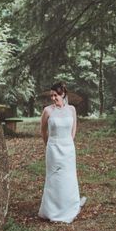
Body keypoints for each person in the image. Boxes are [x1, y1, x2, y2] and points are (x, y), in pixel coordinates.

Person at [38, 82, 86, 223]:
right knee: (55, 178)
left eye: (56, 95)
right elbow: (43, 130)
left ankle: (69, 205)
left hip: (68, 148)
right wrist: (49, 144)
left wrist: (69, 142)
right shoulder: (47, 111)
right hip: (53, 147)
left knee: (68, 177)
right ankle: (53, 208)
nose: (53, 98)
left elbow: (74, 127)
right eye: (51, 95)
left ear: (63, 94)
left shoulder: (71, 110)